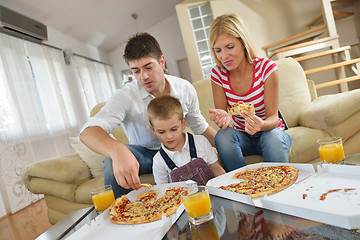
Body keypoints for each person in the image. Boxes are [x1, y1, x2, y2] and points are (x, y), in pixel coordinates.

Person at [79, 32, 217, 198]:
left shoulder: (185, 89)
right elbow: (87, 132)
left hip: (183, 149)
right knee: (110, 160)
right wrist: (117, 150)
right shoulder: (125, 96)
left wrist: (227, 144)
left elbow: (200, 126)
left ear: (162, 61)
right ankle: (127, 214)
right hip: (147, 156)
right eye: (136, 71)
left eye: (148, 67)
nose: (143, 77)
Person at [208, 14, 291, 172]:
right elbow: (224, 117)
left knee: (272, 136)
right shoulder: (218, 74)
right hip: (242, 138)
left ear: (243, 43)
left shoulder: (266, 68)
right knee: (223, 136)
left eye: (230, 47)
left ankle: (280, 186)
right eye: (218, 50)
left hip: (269, 132)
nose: (223, 56)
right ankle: (241, 186)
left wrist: (261, 125)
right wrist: (225, 118)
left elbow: (273, 118)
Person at [147, 95, 225, 184]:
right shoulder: (158, 161)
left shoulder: (201, 141)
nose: (169, 136)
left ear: (183, 123)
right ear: (153, 130)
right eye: (161, 132)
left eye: (173, 129)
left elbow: (218, 171)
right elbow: (163, 191)